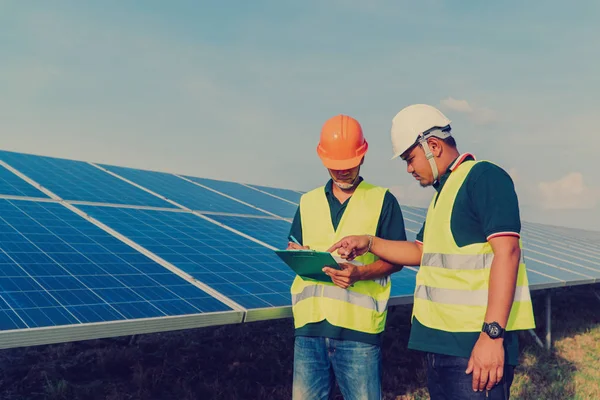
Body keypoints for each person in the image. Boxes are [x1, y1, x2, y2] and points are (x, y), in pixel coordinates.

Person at [327, 104, 536, 399]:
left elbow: (508, 252)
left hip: (473, 347)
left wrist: (492, 336)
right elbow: (419, 251)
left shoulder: (483, 177)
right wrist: (369, 242)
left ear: (433, 146)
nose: (409, 169)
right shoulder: (444, 194)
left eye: (410, 159)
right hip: (441, 348)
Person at [288, 114, 407, 400]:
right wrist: (299, 255)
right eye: (335, 166)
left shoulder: (382, 200)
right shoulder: (308, 201)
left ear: (362, 156)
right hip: (309, 330)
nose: (342, 172)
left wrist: (360, 273)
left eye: (348, 166)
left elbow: (398, 259)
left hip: (358, 333)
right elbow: (293, 246)